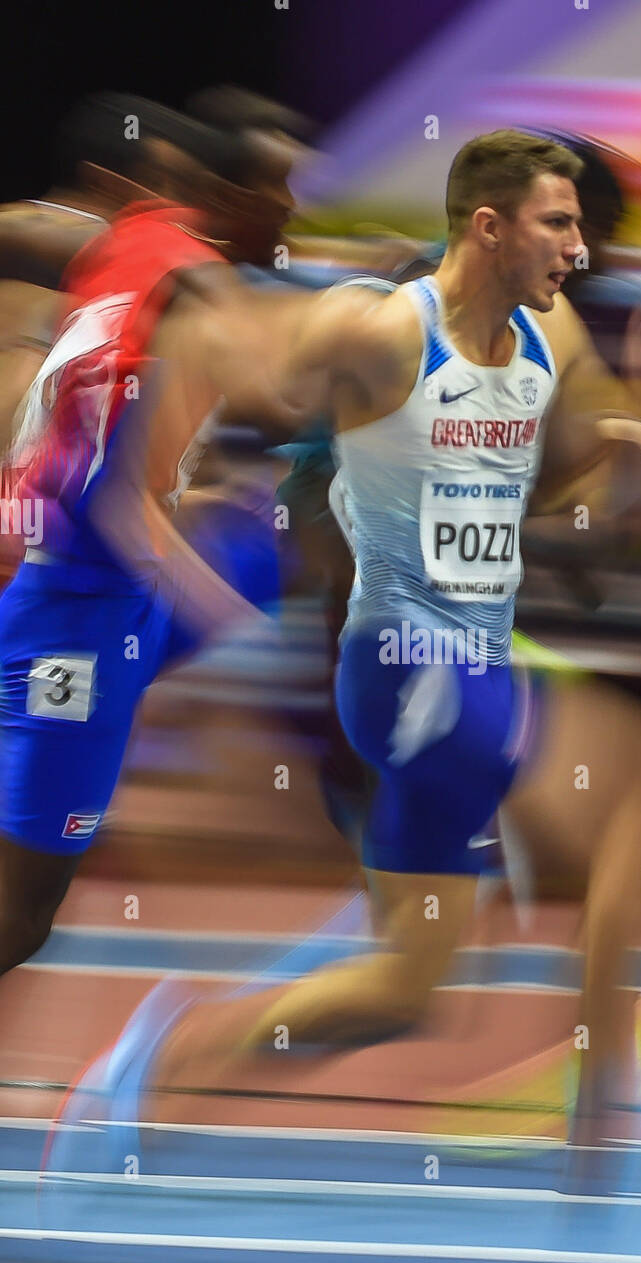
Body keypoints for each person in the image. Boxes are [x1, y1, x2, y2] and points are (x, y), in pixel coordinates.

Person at [140, 130, 641, 1138]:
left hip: (453, 669)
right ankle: (602, 1109)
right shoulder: (385, 327)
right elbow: (254, 369)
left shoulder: (546, 342)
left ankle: (170, 1057)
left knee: (404, 986)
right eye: (564, 227)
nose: (583, 253)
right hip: (403, 669)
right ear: (491, 226)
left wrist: (617, 456)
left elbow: (576, 531)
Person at [0, 92, 300, 978]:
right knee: (19, 915)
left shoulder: (109, 250)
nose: (290, 206)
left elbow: (34, 224)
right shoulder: (192, 272)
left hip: (54, 588)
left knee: (275, 522)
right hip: (76, 627)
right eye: (276, 185)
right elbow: (116, 499)